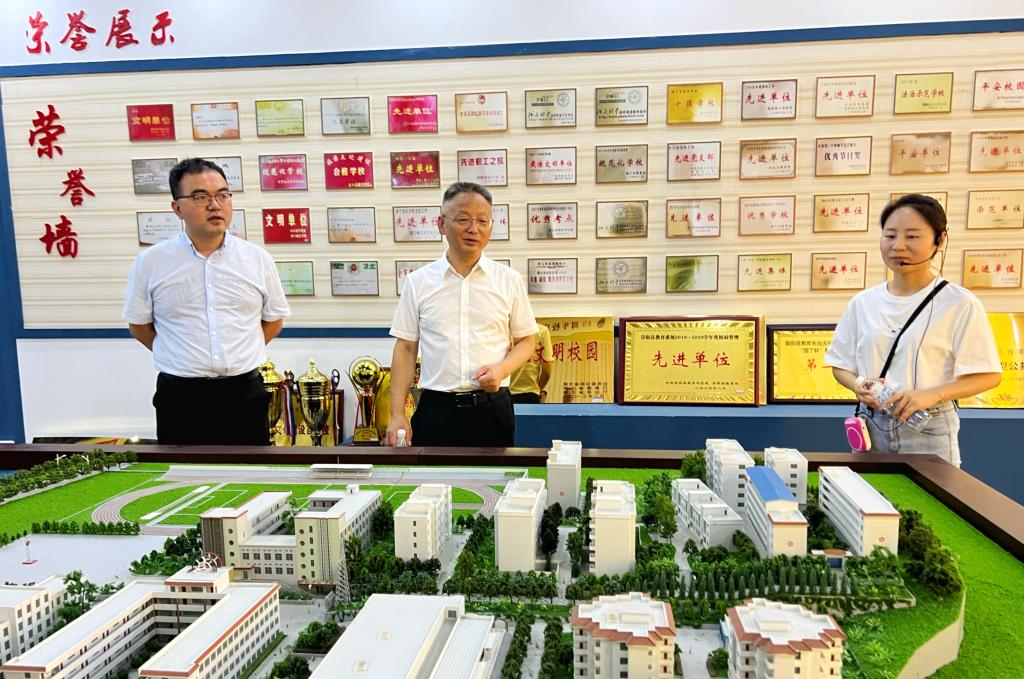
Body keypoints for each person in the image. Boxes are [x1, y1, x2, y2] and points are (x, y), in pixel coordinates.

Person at [825, 193, 1001, 466]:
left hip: (928, 424)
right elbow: (840, 365)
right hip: (871, 424)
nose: (898, 246)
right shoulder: (863, 302)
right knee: (869, 494)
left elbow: (988, 376)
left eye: (912, 236)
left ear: (940, 240)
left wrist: (933, 394)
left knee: (934, 494)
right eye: (890, 235)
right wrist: (860, 385)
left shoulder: (960, 303)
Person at [123, 158, 290, 445]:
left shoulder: (256, 259)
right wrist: (181, 354)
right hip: (181, 397)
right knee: (183, 471)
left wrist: (240, 351)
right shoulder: (151, 262)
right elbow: (140, 327)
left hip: (244, 393)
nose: (215, 205)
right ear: (177, 208)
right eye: (201, 197)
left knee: (251, 471)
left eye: (223, 195)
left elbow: (273, 320)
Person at [385, 182, 538, 447]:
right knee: (432, 475)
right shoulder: (418, 282)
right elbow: (406, 348)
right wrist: (397, 414)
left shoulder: (508, 280)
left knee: (495, 475)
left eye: (482, 221)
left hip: (492, 409)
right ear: (441, 224)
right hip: (436, 409)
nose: (473, 229)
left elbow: (527, 341)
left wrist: (502, 369)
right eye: (463, 219)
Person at [509, 323, 554, 404]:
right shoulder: (541, 331)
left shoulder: (503, 331)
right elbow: (547, 372)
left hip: (504, 394)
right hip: (530, 393)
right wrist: (539, 389)